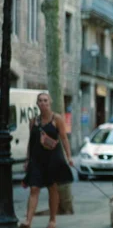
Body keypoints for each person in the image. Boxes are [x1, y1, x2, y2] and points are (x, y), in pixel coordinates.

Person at [20, 93, 74, 228]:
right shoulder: (33, 121)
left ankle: (53, 220)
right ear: (37, 103)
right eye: (40, 100)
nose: (43, 103)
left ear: (50, 102)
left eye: (45, 100)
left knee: (52, 189)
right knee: (34, 189)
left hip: (53, 160)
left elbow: (64, 138)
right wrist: (27, 159)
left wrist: (69, 157)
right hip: (36, 160)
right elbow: (31, 142)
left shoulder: (57, 119)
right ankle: (28, 221)